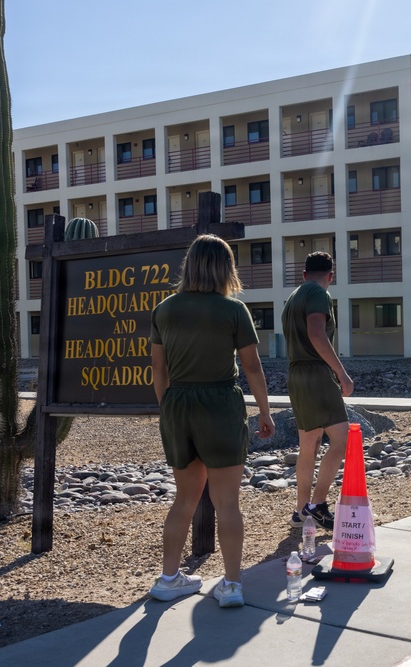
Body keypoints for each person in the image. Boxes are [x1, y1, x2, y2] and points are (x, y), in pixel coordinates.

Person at [147, 234, 275, 608]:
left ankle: (168, 579)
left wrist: (168, 407)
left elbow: (158, 367)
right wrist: (264, 411)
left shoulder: (165, 309)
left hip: (178, 404)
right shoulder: (234, 310)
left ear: (189, 265)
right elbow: (252, 366)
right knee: (227, 503)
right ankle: (231, 585)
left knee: (184, 499)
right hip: (220, 403)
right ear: (226, 268)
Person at [282, 251, 354, 530]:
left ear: (304, 274)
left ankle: (302, 511)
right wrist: (341, 372)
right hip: (316, 373)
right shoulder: (318, 294)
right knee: (341, 440)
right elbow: (316, 333)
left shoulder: (293, 297)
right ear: (330, 276)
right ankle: (318, 505)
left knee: (308, 444)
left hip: (296, 374)